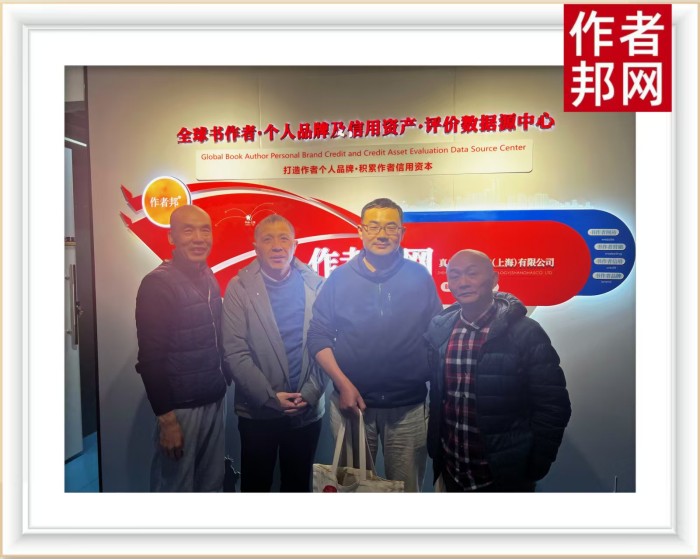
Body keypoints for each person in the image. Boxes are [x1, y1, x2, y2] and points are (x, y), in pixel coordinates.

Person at [307, 198, 443, 492]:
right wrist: (343, 384)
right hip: (352, 406)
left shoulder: (419, 277)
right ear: (360, 231)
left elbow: (436, 334)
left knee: (407, 491)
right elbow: (318, 335)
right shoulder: (339, 278)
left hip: (409, 408)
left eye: (391, 227)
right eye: (373, 226)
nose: (382, 234)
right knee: (353, 492)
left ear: (402, 233)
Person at [426, 249, 572, 492]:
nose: (463, 282)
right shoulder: (442, 329)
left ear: (494, 279)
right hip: (453, 468)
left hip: (505, 474)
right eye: (455, 275)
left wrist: (536, 465)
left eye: (472, 273)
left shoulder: (525, 332)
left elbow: (553, 404)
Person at [222, 214, 326, 492]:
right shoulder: (239, 287)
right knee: (256, 487)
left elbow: (327, 344)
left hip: (306, 410)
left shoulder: (316, 286)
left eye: (284, 239)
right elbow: (235, 351)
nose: (277, 246)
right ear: (256, 247)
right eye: (268, 239)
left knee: (297, 487)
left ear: (295, 245)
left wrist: (310, 394)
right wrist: (270, 398)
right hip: (257, 413)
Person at [135, 204, 231, 492]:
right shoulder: (157, 284)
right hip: (181, 409)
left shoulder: (208, 275)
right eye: (188, 231)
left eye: (205, 230)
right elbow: (150, 358)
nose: (198, 238)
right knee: (175, 488)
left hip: (214, 398)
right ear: (171, 237)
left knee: (210, 485)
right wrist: (167, 420)